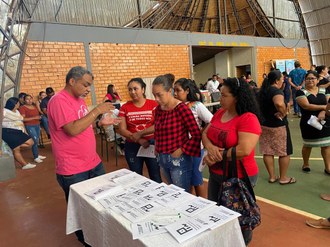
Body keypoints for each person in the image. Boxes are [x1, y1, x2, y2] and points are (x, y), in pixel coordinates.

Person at [47, 66, 118, 246]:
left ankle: (100, 236)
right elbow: (72, 129)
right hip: (73, 168)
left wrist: (99, 122)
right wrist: (97, 111)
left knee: (101, 202)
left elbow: (82, 124)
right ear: (72, 81)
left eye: (90, 86)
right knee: (81, 211)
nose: (88, 89)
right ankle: (87, 241)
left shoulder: (78, 99)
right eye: (86, 85)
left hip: (92, 162)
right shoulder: (58, 101)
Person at [202, 77, 261, 245]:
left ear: (237, 97)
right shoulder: (220, 113)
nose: (220, 99)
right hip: (217, 173)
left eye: (224, 95)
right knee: (216, 212)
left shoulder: (248, 118)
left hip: (239, 177)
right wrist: (210, 148)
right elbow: (205, 133)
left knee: (239, 217)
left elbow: (244, 150)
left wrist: (215, 155)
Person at [152, 75, 201, 192]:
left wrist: (181, 150)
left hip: (178, 160)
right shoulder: (159, 109)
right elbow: (158, 130)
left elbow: (196, 134)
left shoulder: (182, 109)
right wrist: (157, 147)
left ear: (170, 91)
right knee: (171, 193)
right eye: (154, 95)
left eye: (159, 95)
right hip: (163, 158)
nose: (156, 99)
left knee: (181, 195)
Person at [173, 78, 213, 197]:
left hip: (195, 148)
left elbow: (212, 120)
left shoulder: (197, 106)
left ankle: (202, 204)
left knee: (196, 177)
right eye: (174, 90)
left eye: (178, 90)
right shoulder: (175, 106)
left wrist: (201, 132)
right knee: (185, 177)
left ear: (187, 90)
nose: (175, 93)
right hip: (180, 148)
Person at [117, 78, 161, 182]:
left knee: (155, 176)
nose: (132, 92)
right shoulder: (124, 107)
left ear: (143, 89)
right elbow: (122, 129)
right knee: (136, 178)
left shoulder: (154, 105)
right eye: (130, 89)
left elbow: (158, 125)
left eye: (135, 89)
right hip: (132, 146)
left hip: (152, 145)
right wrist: (139, 139)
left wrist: (141, 134)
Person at [258, 70, 295, 184]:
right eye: (282, 79)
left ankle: (272, 176)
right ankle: (283, 178)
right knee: (284, 151)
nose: (283, 80)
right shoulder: (276, 91)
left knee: (267, 151)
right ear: (276, 80)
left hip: (265, 125)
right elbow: (279, 103)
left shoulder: (262, 91)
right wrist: (283, 112)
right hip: (278, 125)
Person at [296, 70, 330, 174]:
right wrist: (324, 108)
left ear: (317, 80)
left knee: (326, 145)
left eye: (312, 78)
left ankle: (328, 167)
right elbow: (306, 106)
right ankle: (306, 164)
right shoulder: (301, 92)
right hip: (308, 123)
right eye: (308, 79)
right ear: (305, 80)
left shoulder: (324, 90)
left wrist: (323, 112)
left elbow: (329, 104)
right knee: (308, 145)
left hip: (324, 121)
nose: (310, 80)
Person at [2, 97, 36, 169]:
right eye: (18, 103)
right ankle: (24, 165)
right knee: (27, 144)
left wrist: (25, 131)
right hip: (8, 131)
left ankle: (12, 147)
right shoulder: (4, 111)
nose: (19, 104)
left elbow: (20, 121)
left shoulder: (17, 112)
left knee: (26, 144)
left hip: (18, 131)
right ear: (15, 104)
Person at [19, 94, 46, 163]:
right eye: (27, 99)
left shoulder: (34, 106)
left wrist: (39, 119)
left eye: (30, 99)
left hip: (37, 125)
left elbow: (37, 115)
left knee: (36, 140)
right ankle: (35, 157)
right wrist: (34, 118)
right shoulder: (23, 108)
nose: (29, 100)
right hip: (29, 126)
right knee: (35, 140)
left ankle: (37, 154)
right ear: (24, 100)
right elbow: (22, 119)